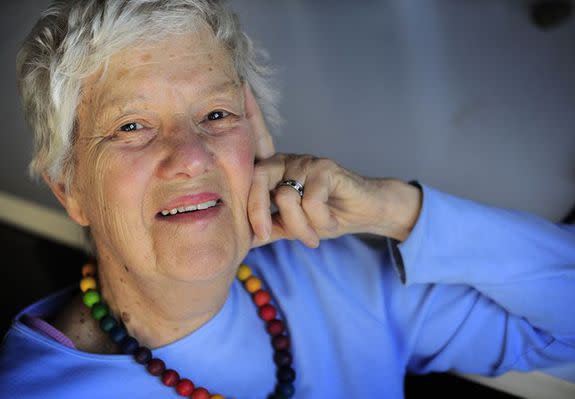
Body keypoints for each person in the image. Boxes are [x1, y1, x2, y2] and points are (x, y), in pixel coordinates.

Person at [1, 1, 574, 398]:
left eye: (217, 115)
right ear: (70, 190)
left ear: (258, 137)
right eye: (131, 126)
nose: (193, 156)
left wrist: (395, 208)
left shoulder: (343, 278)